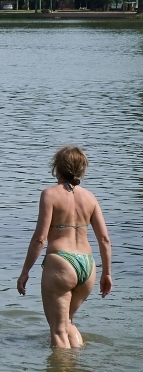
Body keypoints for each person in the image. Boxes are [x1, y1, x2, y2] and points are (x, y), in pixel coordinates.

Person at [16, 146, 112, 348]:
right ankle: (76, 368)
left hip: (61, 263)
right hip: (88, 265)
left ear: (57, 168)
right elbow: (104, 239)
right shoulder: (90, 198)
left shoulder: (50, 194)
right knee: (67, 323)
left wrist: (25, 271)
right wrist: (107, 273)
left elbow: (40, 239)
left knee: (58, 330)